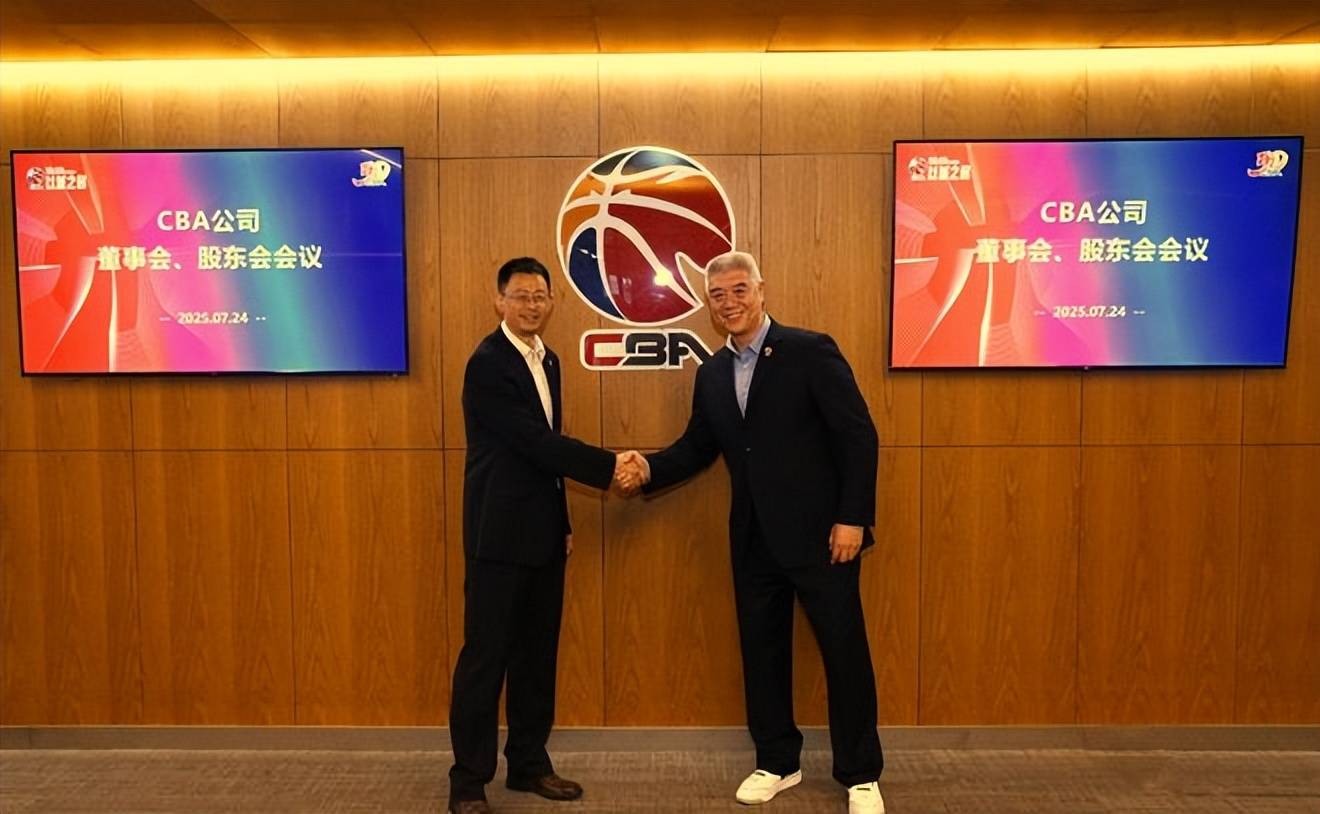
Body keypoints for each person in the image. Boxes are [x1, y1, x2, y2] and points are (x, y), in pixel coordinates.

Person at [620, 250, 885, 813]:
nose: (729, 302)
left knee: (844, 654)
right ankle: (777, 762)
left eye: (739, 290)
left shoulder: (810, 350)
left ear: (761, 291)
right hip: (753, 538)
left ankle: (861, 774)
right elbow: (698, 446)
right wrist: (648, 469)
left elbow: (858, 436)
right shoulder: (712, 372)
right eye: (718, 295)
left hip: (824, 538)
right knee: (762, 654)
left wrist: (852, 518)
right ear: (708, 304)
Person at [447, 257, 640, 814]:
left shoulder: (548, 359)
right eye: (521, 296)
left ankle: (528, 764)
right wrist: (609, 466)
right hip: (497, 537)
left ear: (551, 302)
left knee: (536, 658)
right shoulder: (488, 364)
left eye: (540, 296)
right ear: (499, 301)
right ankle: (468, 782)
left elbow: (544, 459)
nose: (532, 305)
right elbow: (533, 442)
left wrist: (563, 524)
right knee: (485, 661)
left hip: (543, 537)